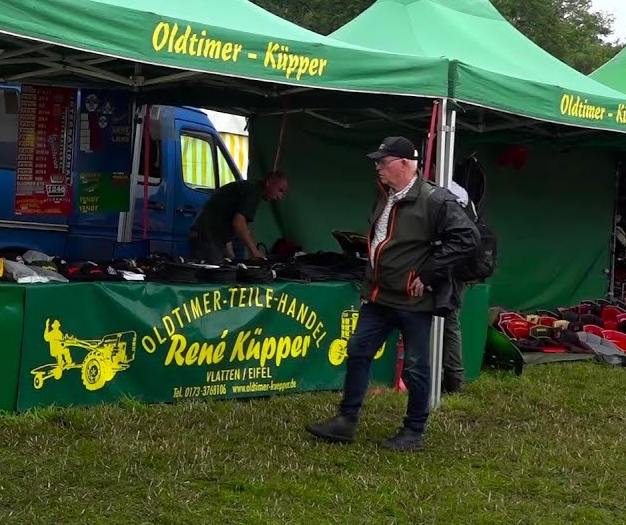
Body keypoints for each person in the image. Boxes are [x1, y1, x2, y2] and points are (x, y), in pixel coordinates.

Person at [305, 137, 478, 452]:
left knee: (416, 366)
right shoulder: (385, 195)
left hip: (412, 301)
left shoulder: (435, 200)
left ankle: (414, 431)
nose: (377, 167)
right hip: (378, 296)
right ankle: (346, 421)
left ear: (403, 163)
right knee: (358, 352)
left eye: (383, 162)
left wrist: (427, 274)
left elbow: (467, 237)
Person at [188, 171, 288, 263]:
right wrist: (255, 252)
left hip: (208, 235)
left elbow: (227, 220)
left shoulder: (249, 188)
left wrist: (231, 256)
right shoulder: (254, 191)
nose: (280, 197)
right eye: (280, 190)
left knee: (223, 271)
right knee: (214, 277)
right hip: (207, 236)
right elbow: (239, 223)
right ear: (268, 182)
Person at [442, 180, 473, 394]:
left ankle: (454, 380)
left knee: (450, 321)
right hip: (454, 266)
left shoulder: (448, 191)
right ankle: (453, 379)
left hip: (449, 267)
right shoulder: (459, 192)